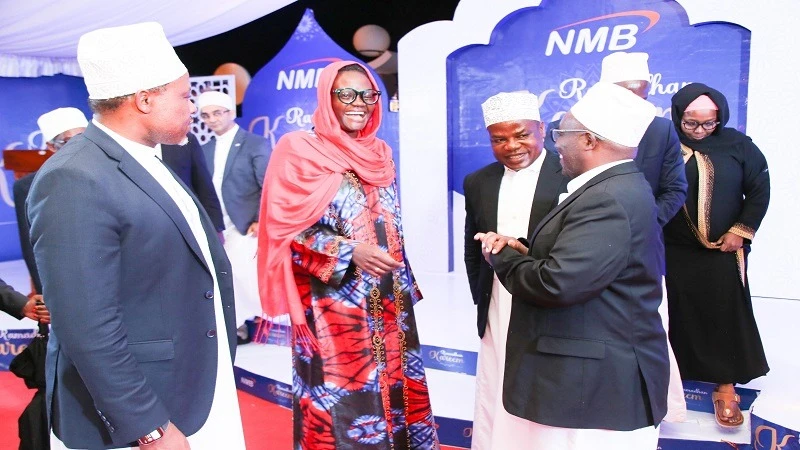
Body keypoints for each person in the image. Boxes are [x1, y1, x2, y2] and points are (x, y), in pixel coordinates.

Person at [26, 22, 244, 449]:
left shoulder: (146, 158)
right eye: (184, 96)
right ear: (144, 99)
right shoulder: (75, 177)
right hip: (138, 419)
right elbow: (85, 325)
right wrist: (149, 426)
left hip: (189, 391)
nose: (193, 106)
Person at [257, 60, 439, 449]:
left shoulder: (380, 151)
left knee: (398, 389)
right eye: (346, 94)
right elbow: (284, 226)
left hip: (390, 299)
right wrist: (348, 250)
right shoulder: (298, 149)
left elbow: (387, 222)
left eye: (368, 94)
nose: (360, 103)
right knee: (342, 398)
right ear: (327, 97)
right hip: (332, 304)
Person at [477, 82, 669, 449]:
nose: (556, 144)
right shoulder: (615, 186)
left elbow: (558, 284)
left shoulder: (608, 198)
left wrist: (501, 255)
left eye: (561, 133)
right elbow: (589, 262)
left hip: (596, 383)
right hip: (593, 375)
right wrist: (527, 249)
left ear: (589, 141)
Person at [546, 51, 688, 422]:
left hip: (642, 252)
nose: (632, 99)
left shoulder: (661, 129)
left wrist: (634, 223)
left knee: (646, 333)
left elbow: (675, 189)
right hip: (584, 246)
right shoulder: (574, 128)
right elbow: (561, 181)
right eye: (623, 91)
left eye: (639, 91)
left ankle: (650, 415)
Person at [463, 90, 568, 449]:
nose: (511, 146)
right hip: (497, 304)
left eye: (521, 134)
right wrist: (482, 298)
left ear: (541, 129)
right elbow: (472, 249)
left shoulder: (571, 174)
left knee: (544, 385)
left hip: (551, 303)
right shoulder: (478, 181)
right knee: (497, 379)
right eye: (499, 139)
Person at [665, 83, 770, 429]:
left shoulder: (737, 144)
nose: (699, 131)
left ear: (720, 117)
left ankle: (725, 386)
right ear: (678, 116)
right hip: (673, 249)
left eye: (708, 123)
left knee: (724, 312)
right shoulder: (663, 143)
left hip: (723, 249)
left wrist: (741, 230)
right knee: (674, 312)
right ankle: (670, 386)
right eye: (691, 123)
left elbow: (758, 188)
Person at [544, 52, 687, 227]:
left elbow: (674, 189)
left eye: (642, 100)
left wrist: (642, 224)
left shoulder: (661, 130)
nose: (634, 106)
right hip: (576, 228)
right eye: (625, 98)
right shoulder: (564, 130)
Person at [199, 90, 270, 340]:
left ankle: (254, 326)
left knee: (243, 276)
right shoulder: (204, 148)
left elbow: (268, 186)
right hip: (216, 223)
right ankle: (236, 329)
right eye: (206, 115)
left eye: (217, 113)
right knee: (222, 277)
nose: (212, 119)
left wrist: (261, 220)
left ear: (230, 112)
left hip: (246, 223)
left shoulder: (254, 143)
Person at [13, 107, 88, 295]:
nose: (80, 147)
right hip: (65, 284)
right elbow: (32, 247)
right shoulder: (28, 187)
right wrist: (45, 293)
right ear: (52, 146)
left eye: (86, 139)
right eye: (70, 141)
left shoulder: (112, 173)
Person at [160, 133, 225, 233]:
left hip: (187, 223)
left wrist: (216, 227)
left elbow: (203, 184)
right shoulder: (128, 145)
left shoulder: (184, 138)